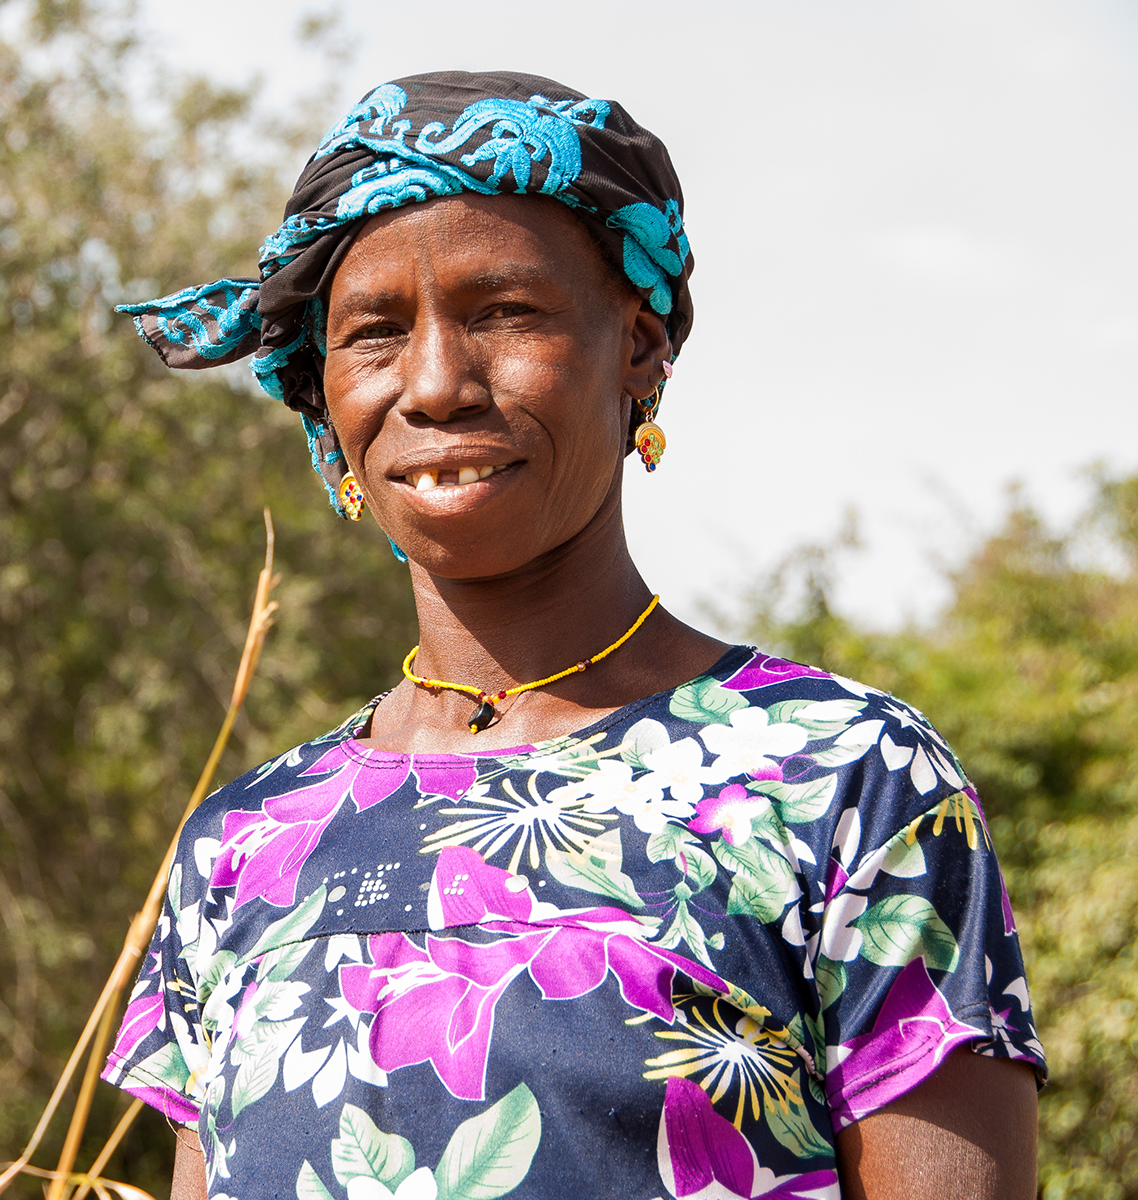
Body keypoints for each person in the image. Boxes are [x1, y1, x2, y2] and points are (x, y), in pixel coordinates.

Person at [100, 72, 1043, 1200]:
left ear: (640, 349)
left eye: (505, 312)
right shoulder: (248, 845)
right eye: (374, 334)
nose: (438, 384)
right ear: (322, 395)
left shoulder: (842, 780)